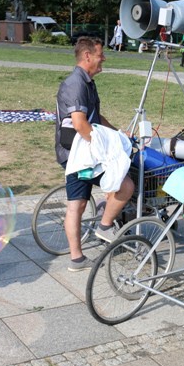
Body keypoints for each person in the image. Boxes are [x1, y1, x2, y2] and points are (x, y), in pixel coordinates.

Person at [55, 37, 134, 271]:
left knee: (77, 206)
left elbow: (95, 118)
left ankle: (77, 259)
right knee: (125, 185)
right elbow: (81, 124)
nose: (104, 59)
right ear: (88, 56)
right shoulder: (75, 84)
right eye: (101, 54)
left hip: (82, 152)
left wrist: (119, 133)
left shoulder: (87, 82)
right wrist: (105, 151)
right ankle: (105, 225)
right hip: (79, 155)